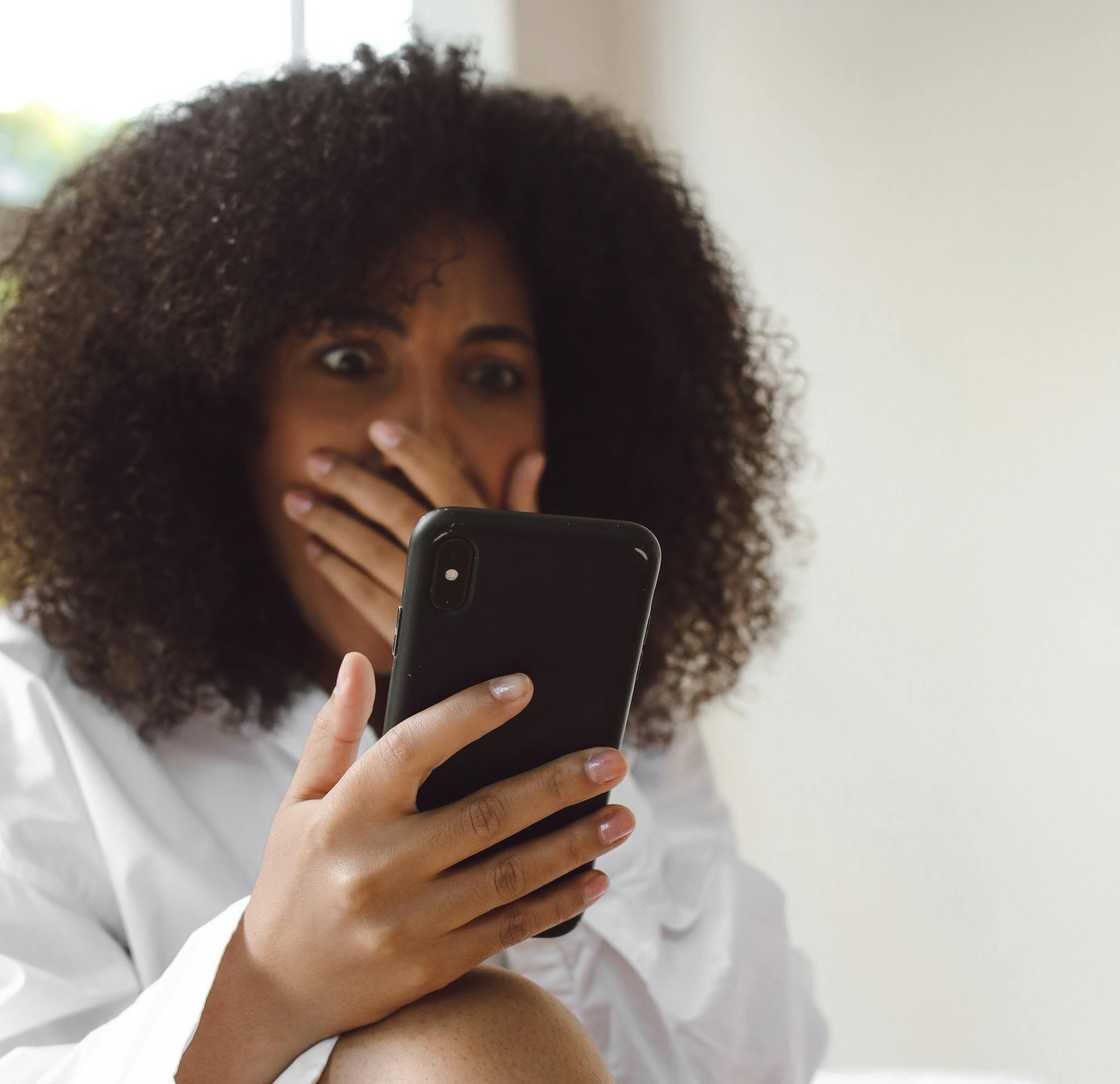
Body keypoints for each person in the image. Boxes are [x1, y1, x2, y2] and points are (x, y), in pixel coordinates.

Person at [0, 33, 828, 1084]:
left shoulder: (612, 707)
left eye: (489, 375)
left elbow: (767, 1066)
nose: (420, 436)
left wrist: (522, 751)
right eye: (349, 362)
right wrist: (271, 984)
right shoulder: (35, 707)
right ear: (221, 413)